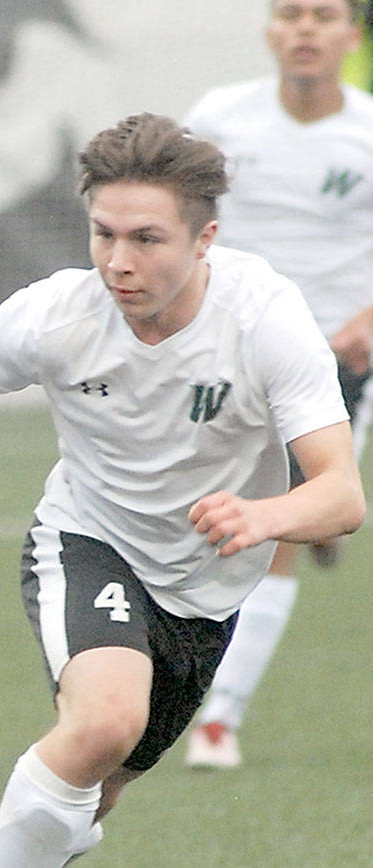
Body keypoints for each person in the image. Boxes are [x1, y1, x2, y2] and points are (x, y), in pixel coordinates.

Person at [0, 112, 364, 867]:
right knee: (104, 723)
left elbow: (342, 496)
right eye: (103, 234)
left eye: (146, 239)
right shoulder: (59, 314)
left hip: (206, 598)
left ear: (204, 239)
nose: (118, 261)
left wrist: (265, 514)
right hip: (90, 542)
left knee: (91, 799)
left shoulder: (267, 321)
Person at [180, 0, 373, 769]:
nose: (304, 29)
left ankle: (219, 719)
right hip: (227, 350)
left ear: (350, 38)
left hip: (328, 360)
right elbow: (173, 215)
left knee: (289, 529)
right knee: (241, 518)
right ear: (269, 33)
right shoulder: (220, 118)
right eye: (290, 13)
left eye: (323, 15)